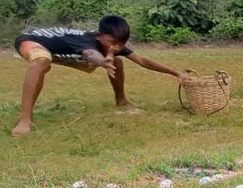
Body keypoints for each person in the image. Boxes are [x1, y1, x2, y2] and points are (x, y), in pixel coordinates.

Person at [11, 15, 187, 135]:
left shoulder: (112, 46)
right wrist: (103, 61)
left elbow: (142, 60)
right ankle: (25, 119)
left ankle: (121, 99)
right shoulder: (87, 41)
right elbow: (91, 55)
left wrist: (176, 73)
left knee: (117, 60)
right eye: (112, 43)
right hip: (32, 41)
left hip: (61, 52)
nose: (116, 48)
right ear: (99, 36)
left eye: (121, 44)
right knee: (41, 61)